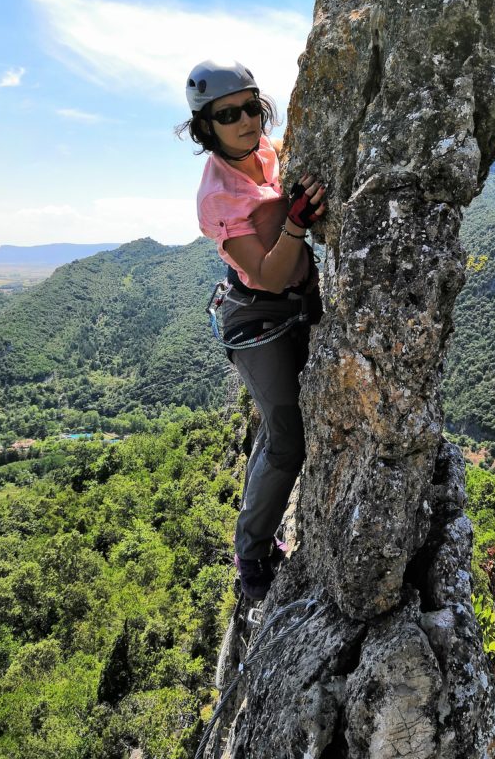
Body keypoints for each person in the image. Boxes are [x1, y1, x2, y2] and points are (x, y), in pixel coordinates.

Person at [179, 59, 325, 600]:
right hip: (258, 317)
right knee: (288, 438)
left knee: (281, 426)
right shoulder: (216, 196)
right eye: (228, 114)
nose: (245, 120)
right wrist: (295, 222)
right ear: (205, 128)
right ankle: (252, 552)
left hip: (299, 301)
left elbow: (288, 161)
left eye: (251, 107)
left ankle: (258, 528)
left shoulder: (267, 151)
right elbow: (267, 271)